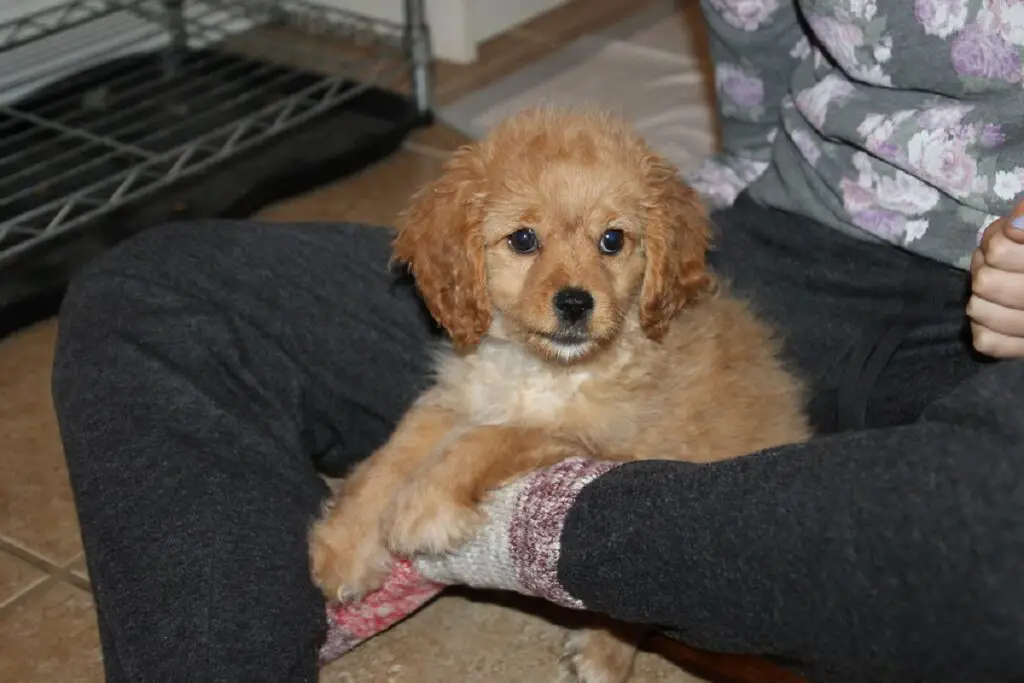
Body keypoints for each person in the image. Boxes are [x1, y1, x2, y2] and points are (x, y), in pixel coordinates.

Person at [50, 1, 1024, 682]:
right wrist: (633, 224)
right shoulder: (607, 243)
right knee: (148, 293)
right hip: (754, 239)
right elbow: (753, 94)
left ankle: (525, 527)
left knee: (994, 534)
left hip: (973, 339)